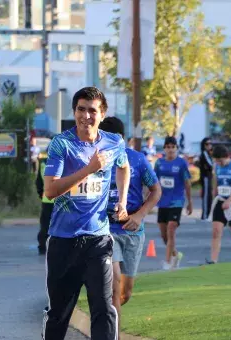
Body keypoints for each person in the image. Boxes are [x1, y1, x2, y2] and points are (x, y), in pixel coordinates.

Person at [42, 87, 130, 340]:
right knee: (59, 313)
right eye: (81, 109)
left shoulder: (113, 142)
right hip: (63, 239)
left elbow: (124, 168)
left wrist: (122, 201)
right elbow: (50, 190)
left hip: (98, 238)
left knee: (103, 308)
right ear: (74, 112)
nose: (86, 116)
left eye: (92, 111)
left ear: (102, 114)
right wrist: (89, 169)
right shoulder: (62, 144)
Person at [99, 117, 161, 338]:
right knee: (114, 284)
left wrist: (140, 215)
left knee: (125, 293)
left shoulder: (137, 159)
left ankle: (106, 316)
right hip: (106, 229)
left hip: (133, 231)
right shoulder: (96, 160)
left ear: (122, 139)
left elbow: (155, 190)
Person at [154, 136, 193, 270]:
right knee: (164, 236)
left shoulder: (181, 163)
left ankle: (168, 262)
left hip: (176, 201)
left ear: (176, 148)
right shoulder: (159, 163)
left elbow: (187, 183)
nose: (170, 150)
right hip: (162, 202)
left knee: (171, 230)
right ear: (164, 148)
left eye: (173, 147)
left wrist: (190, 202)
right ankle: (175, 254)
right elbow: (154, 182)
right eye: (168, 147)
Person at [35, 149, 54, 255]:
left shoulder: (44, 163)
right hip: (62, 199)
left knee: (45, 224)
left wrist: (41, 194)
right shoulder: (66, 161)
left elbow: (38, 182)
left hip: (47, 199)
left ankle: (43, 246)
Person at [199, 137, 213, 220]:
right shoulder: (204, 154)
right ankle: (205, 215)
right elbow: (211, 165)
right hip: (206, 178)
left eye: (210, 143)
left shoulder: (209, 154)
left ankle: (208, 214)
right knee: (206, 196)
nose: (209, 145)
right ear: (203, 145)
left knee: (209, 196)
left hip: (209, 177)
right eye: (207, 144)